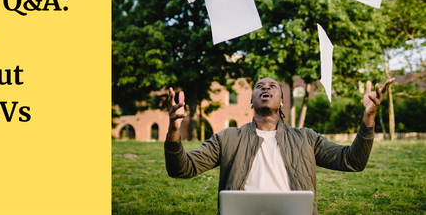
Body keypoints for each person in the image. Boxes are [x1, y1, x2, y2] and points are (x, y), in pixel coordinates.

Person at [164, 77, 395, 215]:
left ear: (282, 101)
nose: (265, 88)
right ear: (251, 101)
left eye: (272, 86)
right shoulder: (227, 138)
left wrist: (369, 116)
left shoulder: (306, 137)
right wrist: (174, 130)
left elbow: (352, 161)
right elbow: (181, 169)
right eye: (259, 86)